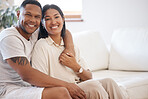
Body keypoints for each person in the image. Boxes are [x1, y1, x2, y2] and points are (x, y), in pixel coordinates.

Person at [32, 4, 126, 99]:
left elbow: (89, 77)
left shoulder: (71, 47)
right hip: (61, 89)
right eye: (48, 19)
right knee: (94, 87)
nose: (53, 22)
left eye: (56, 17)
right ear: (43, 24)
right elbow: (40, 80)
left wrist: (75, 66)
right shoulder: (42, 45)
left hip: (78, 84)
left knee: (109, 82)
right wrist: (67, 85)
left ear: (63, 19)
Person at [0, 0, 87, 99]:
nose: (32, 20)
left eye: (37, 17)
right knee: (61, 92)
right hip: (9, 90)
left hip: (28, 86)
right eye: (28, 15)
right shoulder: (9, 37)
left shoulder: (32, 31)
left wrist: (69, 48)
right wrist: (67, 85)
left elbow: (64, 31)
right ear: (18, 14)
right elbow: (27, 74)